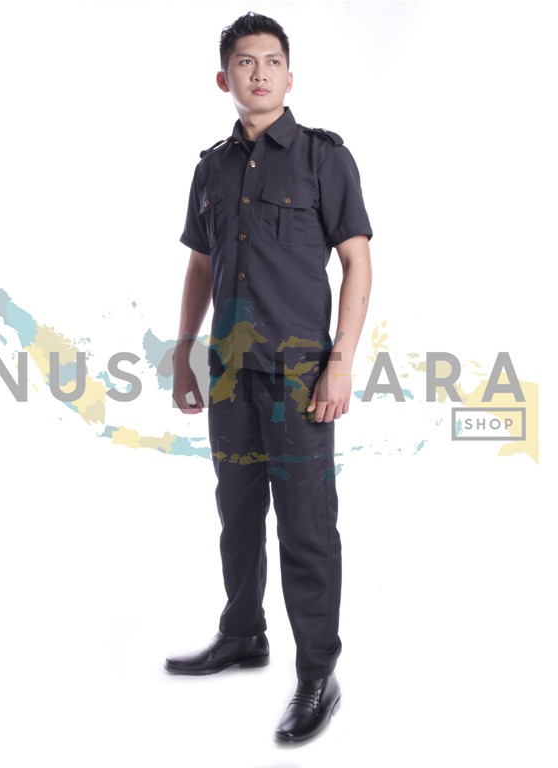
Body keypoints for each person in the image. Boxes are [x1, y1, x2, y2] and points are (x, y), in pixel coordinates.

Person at [166, 11, 373, 743]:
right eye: (245, 62)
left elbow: (357, 262)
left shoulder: (323, 159)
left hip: (299, 376)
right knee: (238, 513)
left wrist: (340, 362)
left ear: (290, 75)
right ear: (224, 78)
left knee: (307, 527)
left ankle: (318, 672)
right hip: (230, 373)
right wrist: (185, 350)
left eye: (272, 61)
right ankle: (242, 634)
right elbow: (201, 264)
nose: (259, 73)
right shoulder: (211, 169)